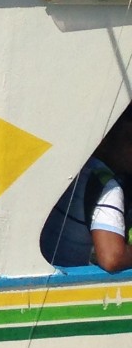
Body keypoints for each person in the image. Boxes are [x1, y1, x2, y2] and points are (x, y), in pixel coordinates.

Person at [42, 107, 132, 271]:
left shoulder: (74, 168)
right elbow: (112, 258)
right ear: (105, 141)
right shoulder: (108, 187)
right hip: (69, 282)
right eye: (129, 140)